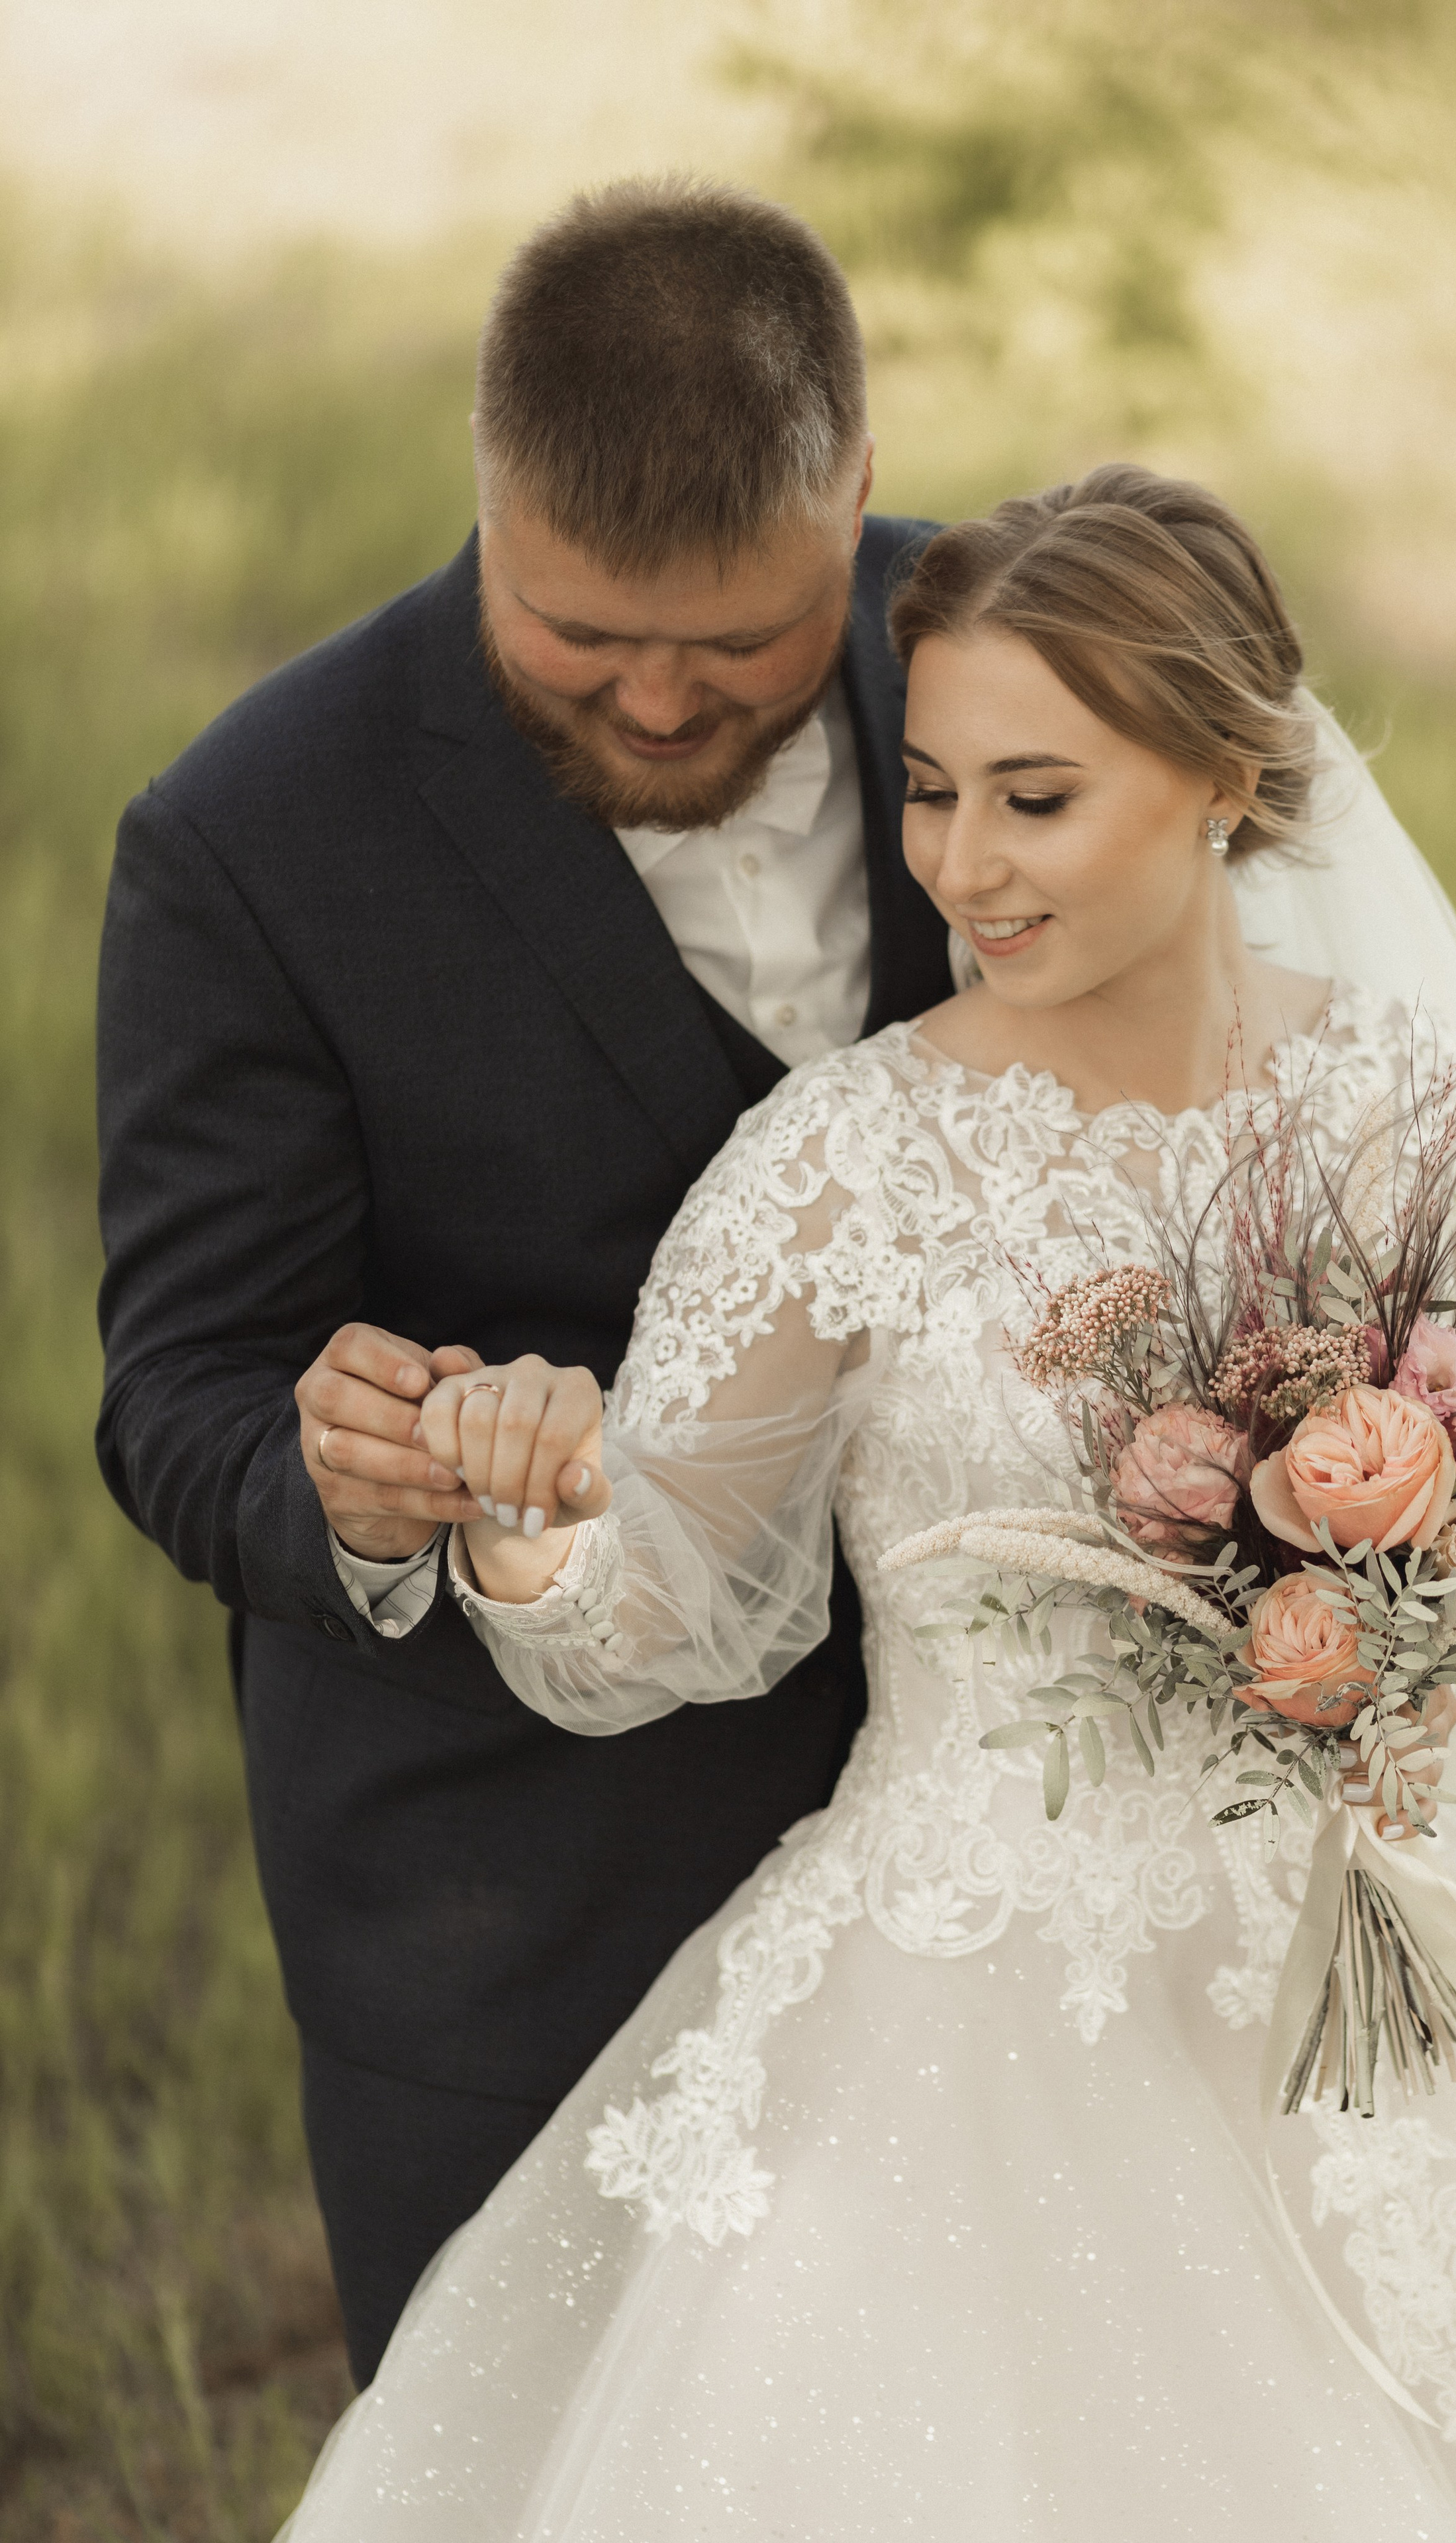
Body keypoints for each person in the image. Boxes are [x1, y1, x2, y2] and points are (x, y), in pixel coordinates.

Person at [277, 468, 1456, 2537]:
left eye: (1036, 798)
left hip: (1341, 1972)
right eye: (931, 790)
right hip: (960, 2015)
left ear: (1223, 772)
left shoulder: (1412, 1104)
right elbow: (659, 1611)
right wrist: (537, 1517)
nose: (963, 865)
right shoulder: (848, 1156)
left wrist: (1411, 1646)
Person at [93, 176, 955, 2389]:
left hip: (1003, 1856)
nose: (663, 707)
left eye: (742, 647)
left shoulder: (1009, 653)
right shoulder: (254, 838)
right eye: (581, 640)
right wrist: (356, 1488)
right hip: (515, 1912)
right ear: (484, 496)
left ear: (854, 495)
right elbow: (180, 1387)